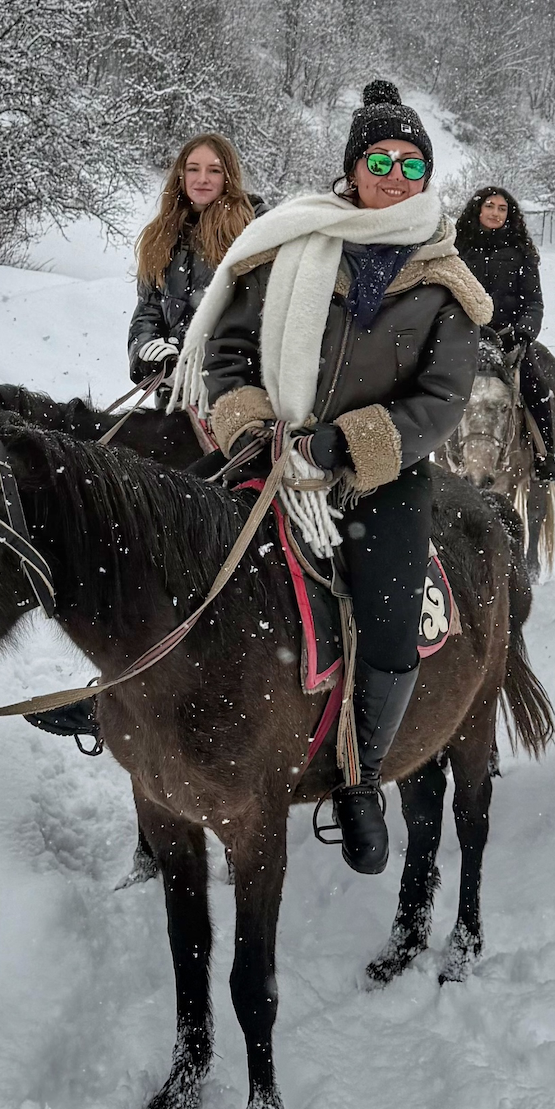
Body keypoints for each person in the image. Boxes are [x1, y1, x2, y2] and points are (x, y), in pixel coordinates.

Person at [170, 80, 489, 875]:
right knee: (168, 544)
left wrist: (347, 444)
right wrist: (250, 425)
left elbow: (442, 399)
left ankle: (361, 773)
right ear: (352, 168)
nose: (395, 175)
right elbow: (229, 350)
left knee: (389, 614)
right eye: (380, 160)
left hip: (380, 474)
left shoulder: (445, 281)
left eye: (411, 163)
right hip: (268, 451)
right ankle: (121, 696)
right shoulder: (291, 241)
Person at [128, 135, 257, 386]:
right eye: (193, 169)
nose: (202, 179)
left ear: (228, 176)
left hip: (232, 387)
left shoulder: (252, 230)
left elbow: (256, 317)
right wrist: (146, 353)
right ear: (181, 174)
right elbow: (148, 311)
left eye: (214, 170)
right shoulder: (160, 236)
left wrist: (208, 362)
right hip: (173, 389)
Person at [454, 187, 555, 480]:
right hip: (464, 339)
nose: (495, 213)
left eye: (502, 209)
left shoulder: (522, 253)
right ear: (478, 210)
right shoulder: (458, 249)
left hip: (509, 342)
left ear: (509, 215)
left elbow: (534, 303)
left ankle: (544, 456)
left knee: (536, 388)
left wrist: (523, 332)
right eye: (490, 206)